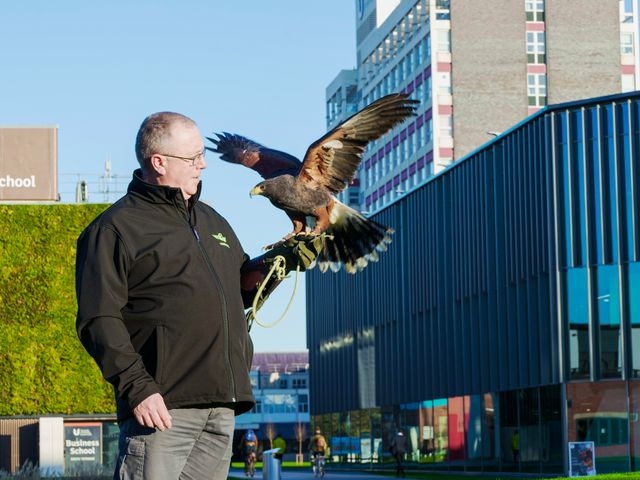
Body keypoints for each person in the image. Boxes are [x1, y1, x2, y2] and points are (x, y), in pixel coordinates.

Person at [75, 111, 322, 480]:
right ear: (158, 162)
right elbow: (99, 319)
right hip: (162, 408)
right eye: (192, 158)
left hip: (222, 406)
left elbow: (240, 290)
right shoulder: (114, 229)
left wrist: (276, 265)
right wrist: (139, 389)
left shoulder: (213, 221)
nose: (203, 164)